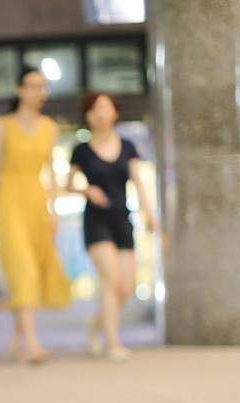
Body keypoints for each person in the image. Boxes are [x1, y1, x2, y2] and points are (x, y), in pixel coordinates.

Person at [0, 67, 71, 364]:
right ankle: (32, 344)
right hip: (9, 201)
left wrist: (55, 210)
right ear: (19, 90)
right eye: (32, 86)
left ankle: (17, 338)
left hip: (36, 202)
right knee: (23, 269)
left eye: (42, 87)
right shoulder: (3, 124)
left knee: (34, 267)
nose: (38, 92)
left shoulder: (50, 127)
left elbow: (52, 172)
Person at [68, 92, 159, 361]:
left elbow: (139, 183)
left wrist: (149, 214)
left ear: (115, 113)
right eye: (95, 108)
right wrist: (87, 190)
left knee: (126, 287)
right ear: (87, 115)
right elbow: (68, 184)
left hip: (122, 218)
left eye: (106, 107)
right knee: (110, 279)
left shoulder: (128, 146)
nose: (100, 112)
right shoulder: (81, 150)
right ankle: (113, 342)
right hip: (96, 220)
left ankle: (96, 325)